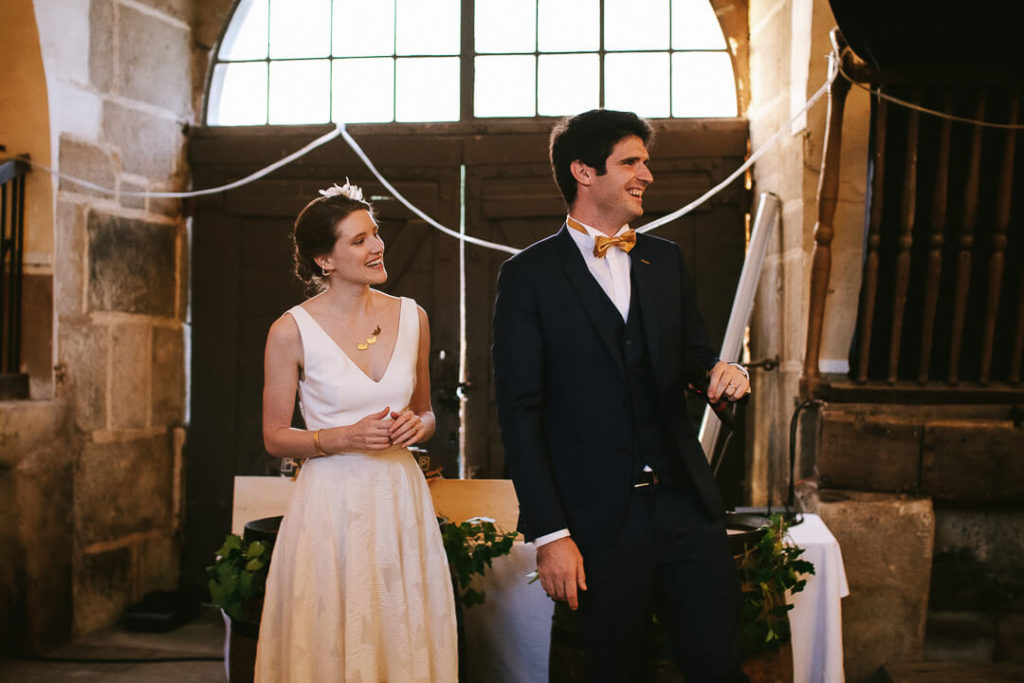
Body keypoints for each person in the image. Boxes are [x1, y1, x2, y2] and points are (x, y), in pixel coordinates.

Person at [492, 109, 750, 682]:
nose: (647, 175)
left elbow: (695, 357)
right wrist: (552, 534)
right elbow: (519, 413)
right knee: (615, 670)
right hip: (596, 523)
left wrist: (722, 372)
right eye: (631, 162)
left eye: (646, 162)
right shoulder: (528, 275)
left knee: (718, 665)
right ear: (583, 171)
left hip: (686, 507)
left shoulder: (667, 261)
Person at [255, 182, 457, 682]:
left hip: (398, 498)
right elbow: (276, 435)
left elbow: (427, 413)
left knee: (400, 625)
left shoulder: (413, 317)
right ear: (325, 260)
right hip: (330, 505)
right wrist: (342, 438)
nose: (376, 247)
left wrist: (418, 425)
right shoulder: (290, 330)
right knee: (328, 631)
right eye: (359, 240)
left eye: (376, 235)